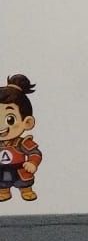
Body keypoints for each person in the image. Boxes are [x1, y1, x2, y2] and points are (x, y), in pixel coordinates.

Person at [0, 73, 42, 202]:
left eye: (10, 119)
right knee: (2, 182)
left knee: (24, 181)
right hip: (2, 171)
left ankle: (26, 190)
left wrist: (32, 163)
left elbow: (35, 153)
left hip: (20, 169)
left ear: (27, 122)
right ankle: (4, 191)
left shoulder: (22, 143)